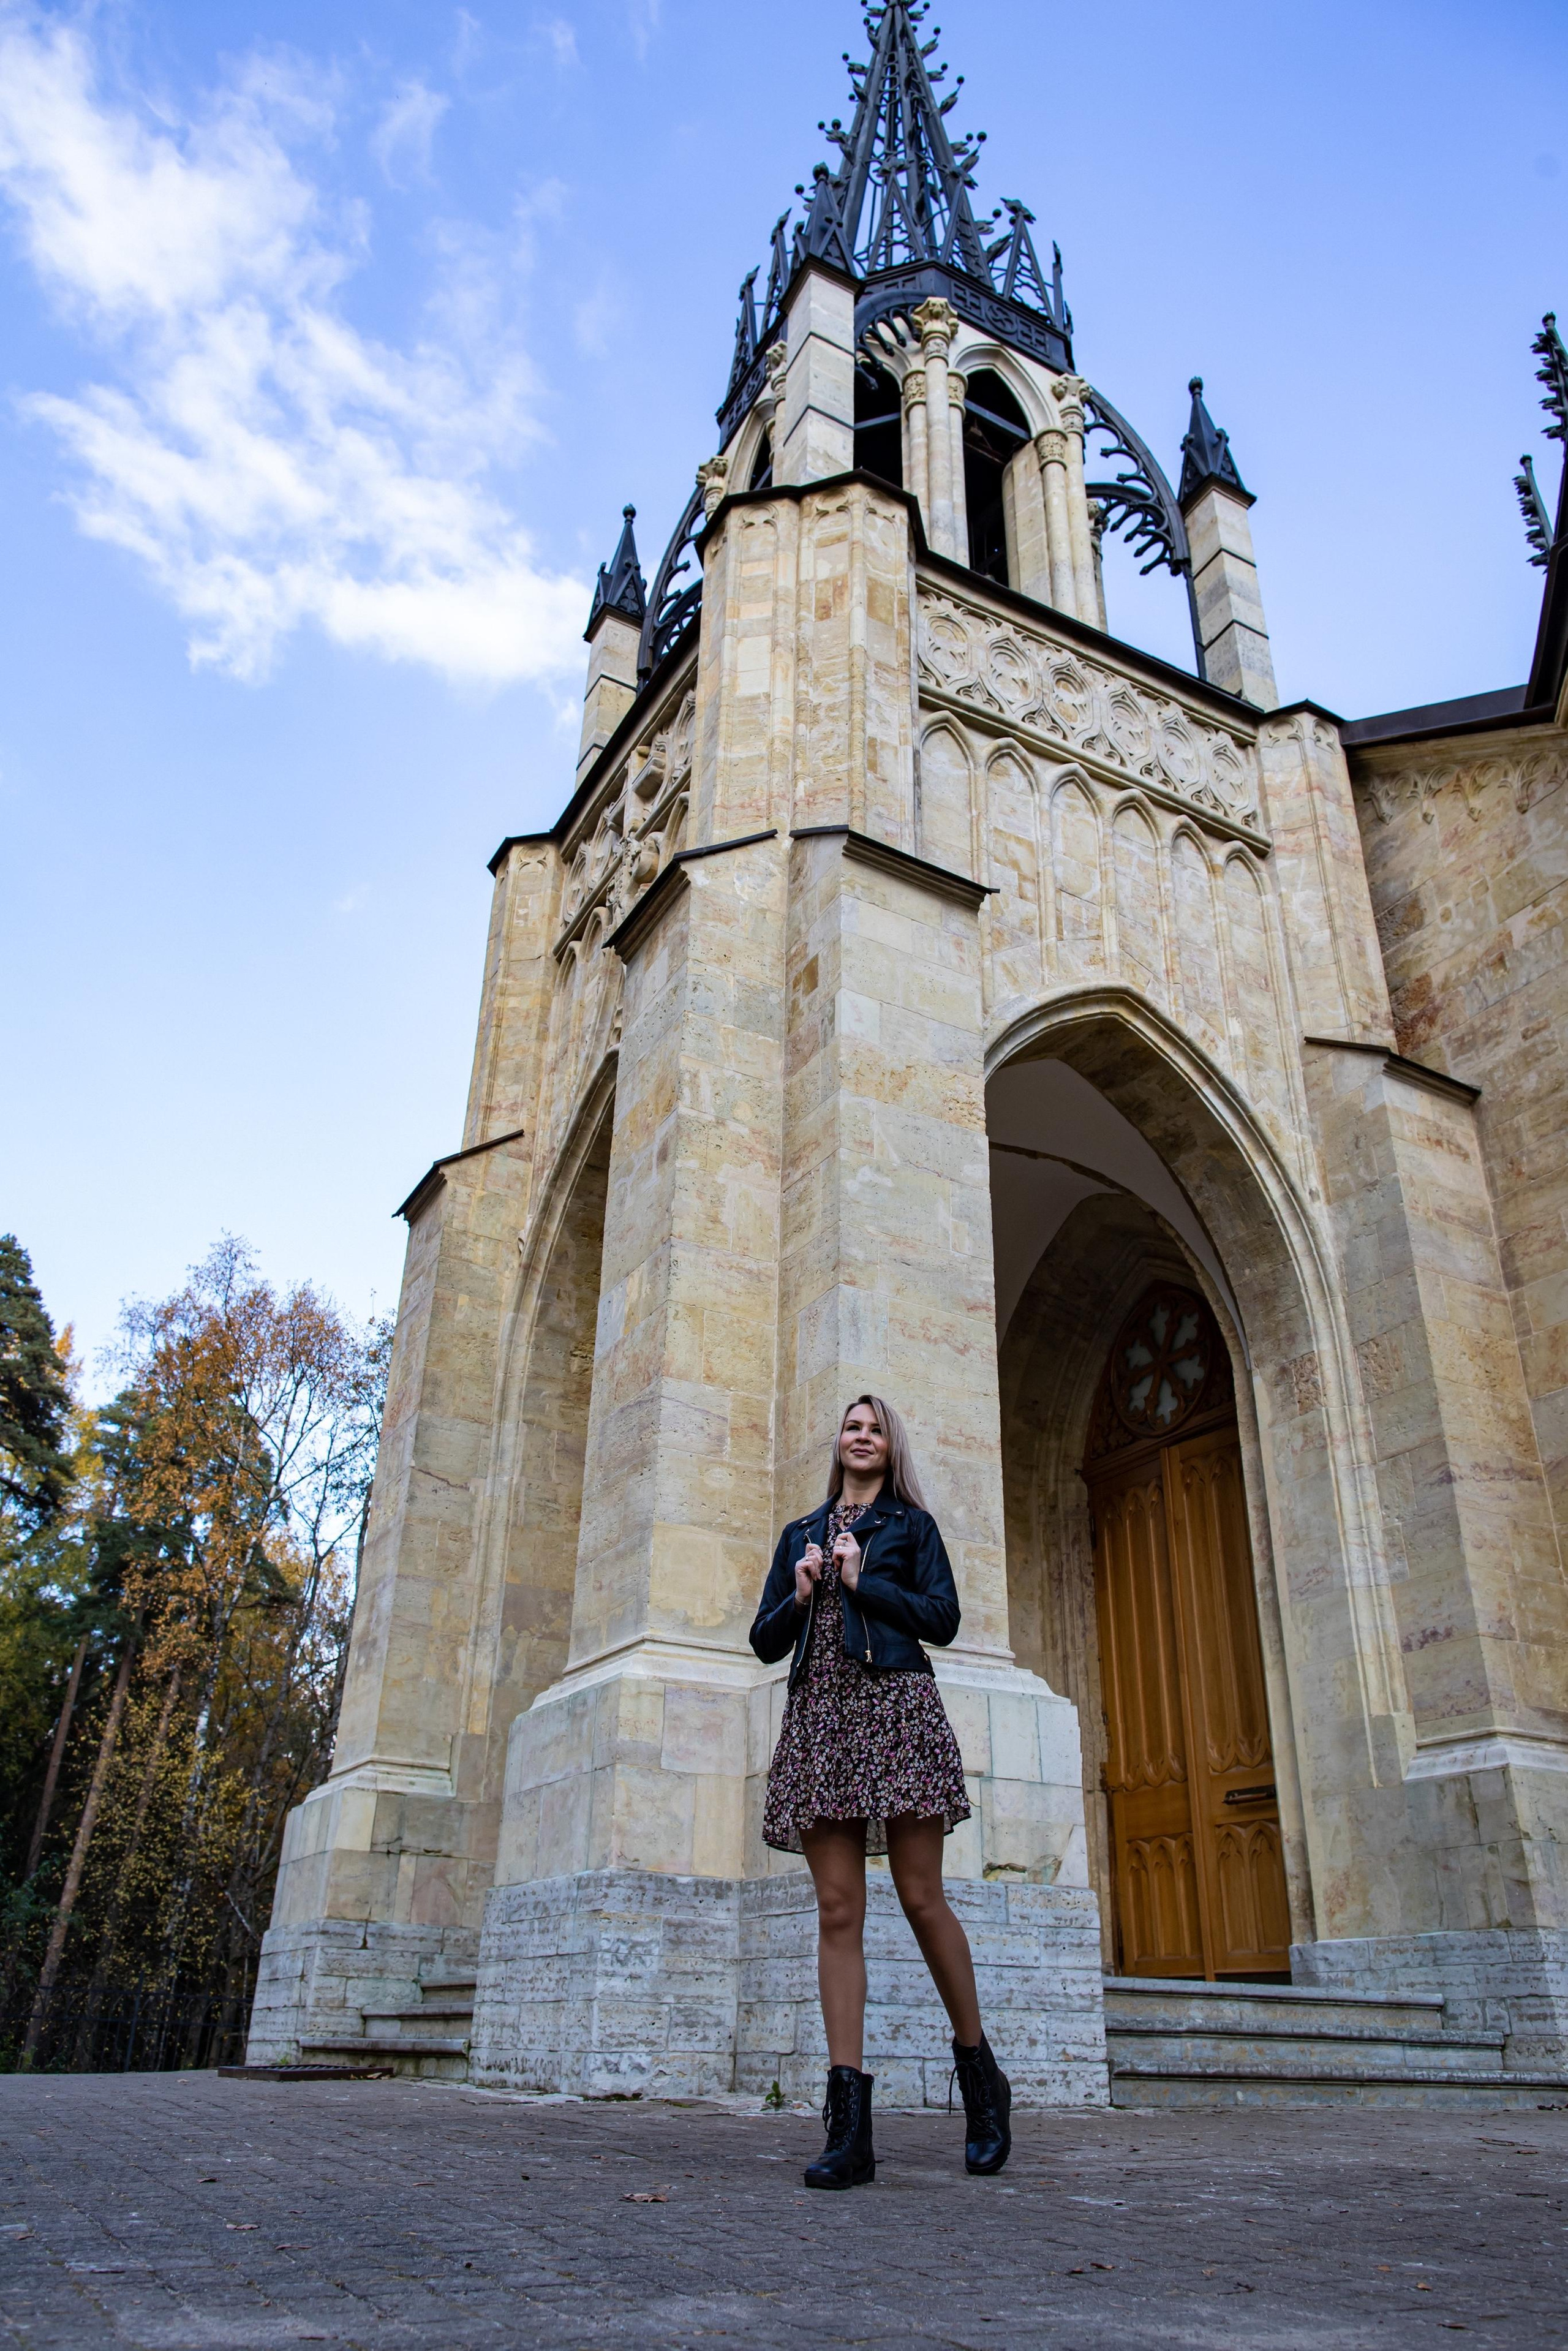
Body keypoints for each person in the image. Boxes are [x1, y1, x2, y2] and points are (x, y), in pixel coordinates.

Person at [749, 1394, 1012, 2190]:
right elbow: (762, 1640)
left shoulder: (911, 1527)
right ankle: (850, 2130)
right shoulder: (800, 1532)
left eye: (874, 1428)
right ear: (839, 1442)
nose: (860, 1436)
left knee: (921, 1893)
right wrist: (799, 1596)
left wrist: (864, 1583)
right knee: (838, 1908)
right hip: (822, 1715)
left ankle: (982, 2080)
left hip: (895, 1707)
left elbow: (945, 1618)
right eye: (851, 1426)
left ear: (890, 1445)